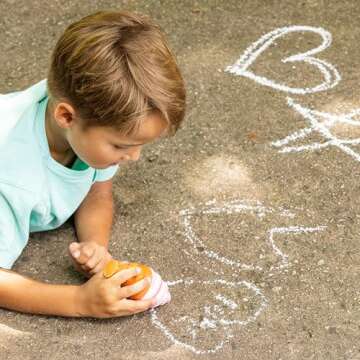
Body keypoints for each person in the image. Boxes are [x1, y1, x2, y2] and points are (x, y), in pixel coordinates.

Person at [0, 10, 186, 318]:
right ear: (67, 117)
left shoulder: (83, 120)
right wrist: (79, 301)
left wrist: (96, 246)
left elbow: (97, 191)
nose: (135, 156)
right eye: (121, 145)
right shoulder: (12, 180)